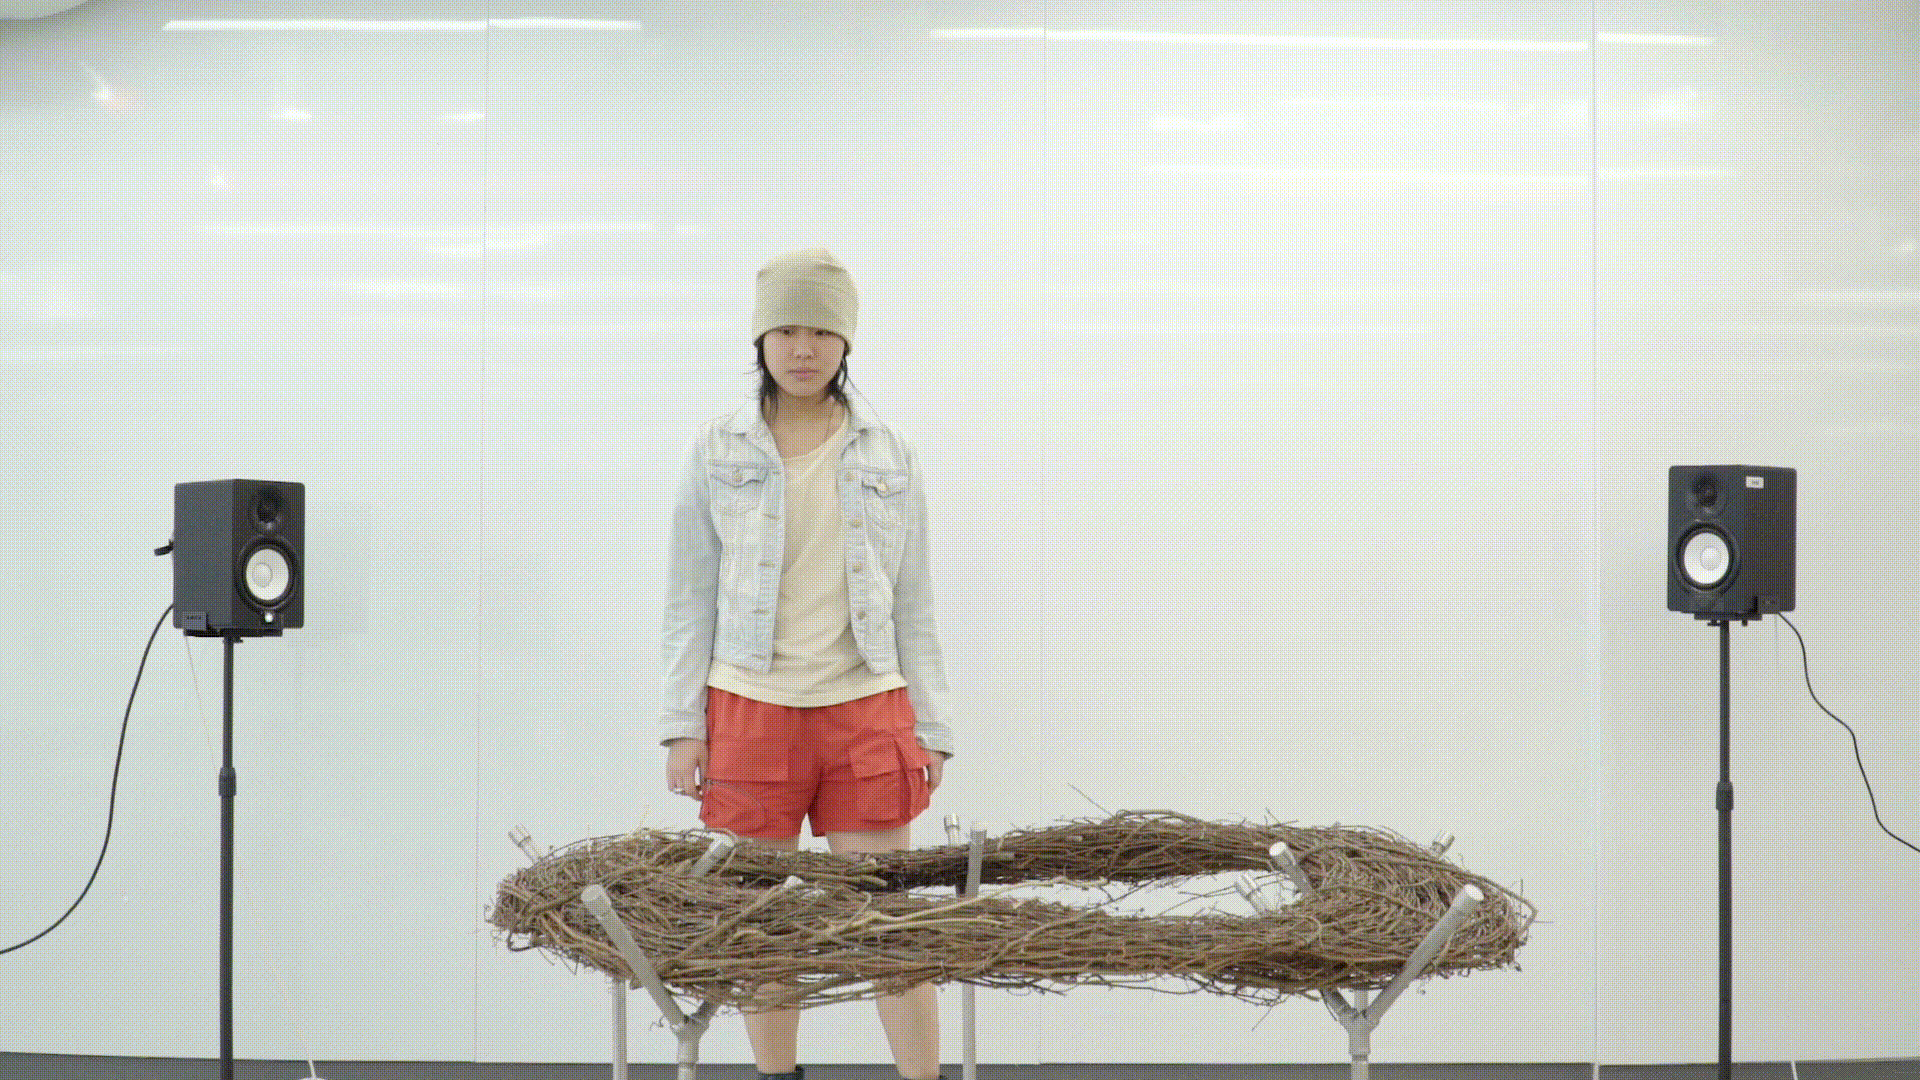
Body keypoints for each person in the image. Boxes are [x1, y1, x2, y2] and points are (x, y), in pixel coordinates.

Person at [660, 249, 957, 1080]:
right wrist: (682, 726)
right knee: (761, 928)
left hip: (866, 705)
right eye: (786, 329)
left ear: (845, 341)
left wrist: (932, 726)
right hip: (748, 706)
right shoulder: (716, 447)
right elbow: (688, 597)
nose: (803, 348)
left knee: (885, 924)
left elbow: (914, 602)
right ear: (760, 338)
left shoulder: (890, 451)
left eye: (821, 330)